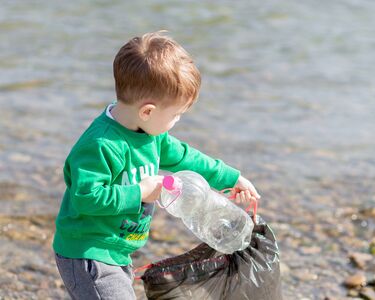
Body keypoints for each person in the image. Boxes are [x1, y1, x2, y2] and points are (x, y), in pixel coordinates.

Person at [52, 31, 261, 300]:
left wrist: (231, 177)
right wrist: (139, 192)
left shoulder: (150, 134)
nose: (176, 122)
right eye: (175, 115)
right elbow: (85, 198)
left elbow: (187, 157)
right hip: (88, 251)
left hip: (117, 249)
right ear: (147, 111)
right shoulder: (101, 145)